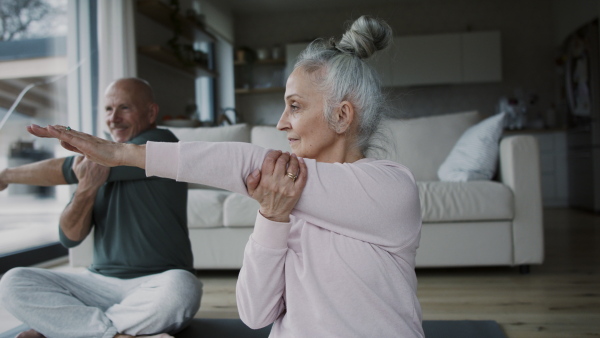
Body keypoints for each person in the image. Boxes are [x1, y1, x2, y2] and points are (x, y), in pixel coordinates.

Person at [27, 16, 425, 338]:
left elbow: (244, 161)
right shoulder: (284, 198)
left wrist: (120, 153)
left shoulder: (391, 188)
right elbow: (255, 315)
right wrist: (271, 220)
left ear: (341, 115)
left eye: (295, 106)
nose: (282, 122)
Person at [0, 78, 202, 338]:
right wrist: (86, 188)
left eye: (124, 108)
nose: (114, 118)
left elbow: (61, 169)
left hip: (156, 282)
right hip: (97, 284)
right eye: (108, 109)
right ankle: (111, 334)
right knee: (13, 281)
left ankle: (72, 329)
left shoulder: (161, 144)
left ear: (151, 112)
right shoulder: (94, 165)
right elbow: (70, 238)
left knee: (183, 288)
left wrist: (5, 176)